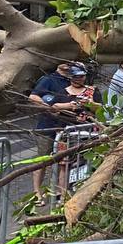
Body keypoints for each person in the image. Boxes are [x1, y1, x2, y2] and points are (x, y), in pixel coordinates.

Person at [28, 63, 86, 197]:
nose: (68, 62)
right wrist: (50, 109)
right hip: (47, 126)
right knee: (42, 160)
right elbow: (33, 97)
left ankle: (60, 193)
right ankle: (37, 193)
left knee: (64, 162)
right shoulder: (48, 79)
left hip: (66, 129)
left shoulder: (74, 77)